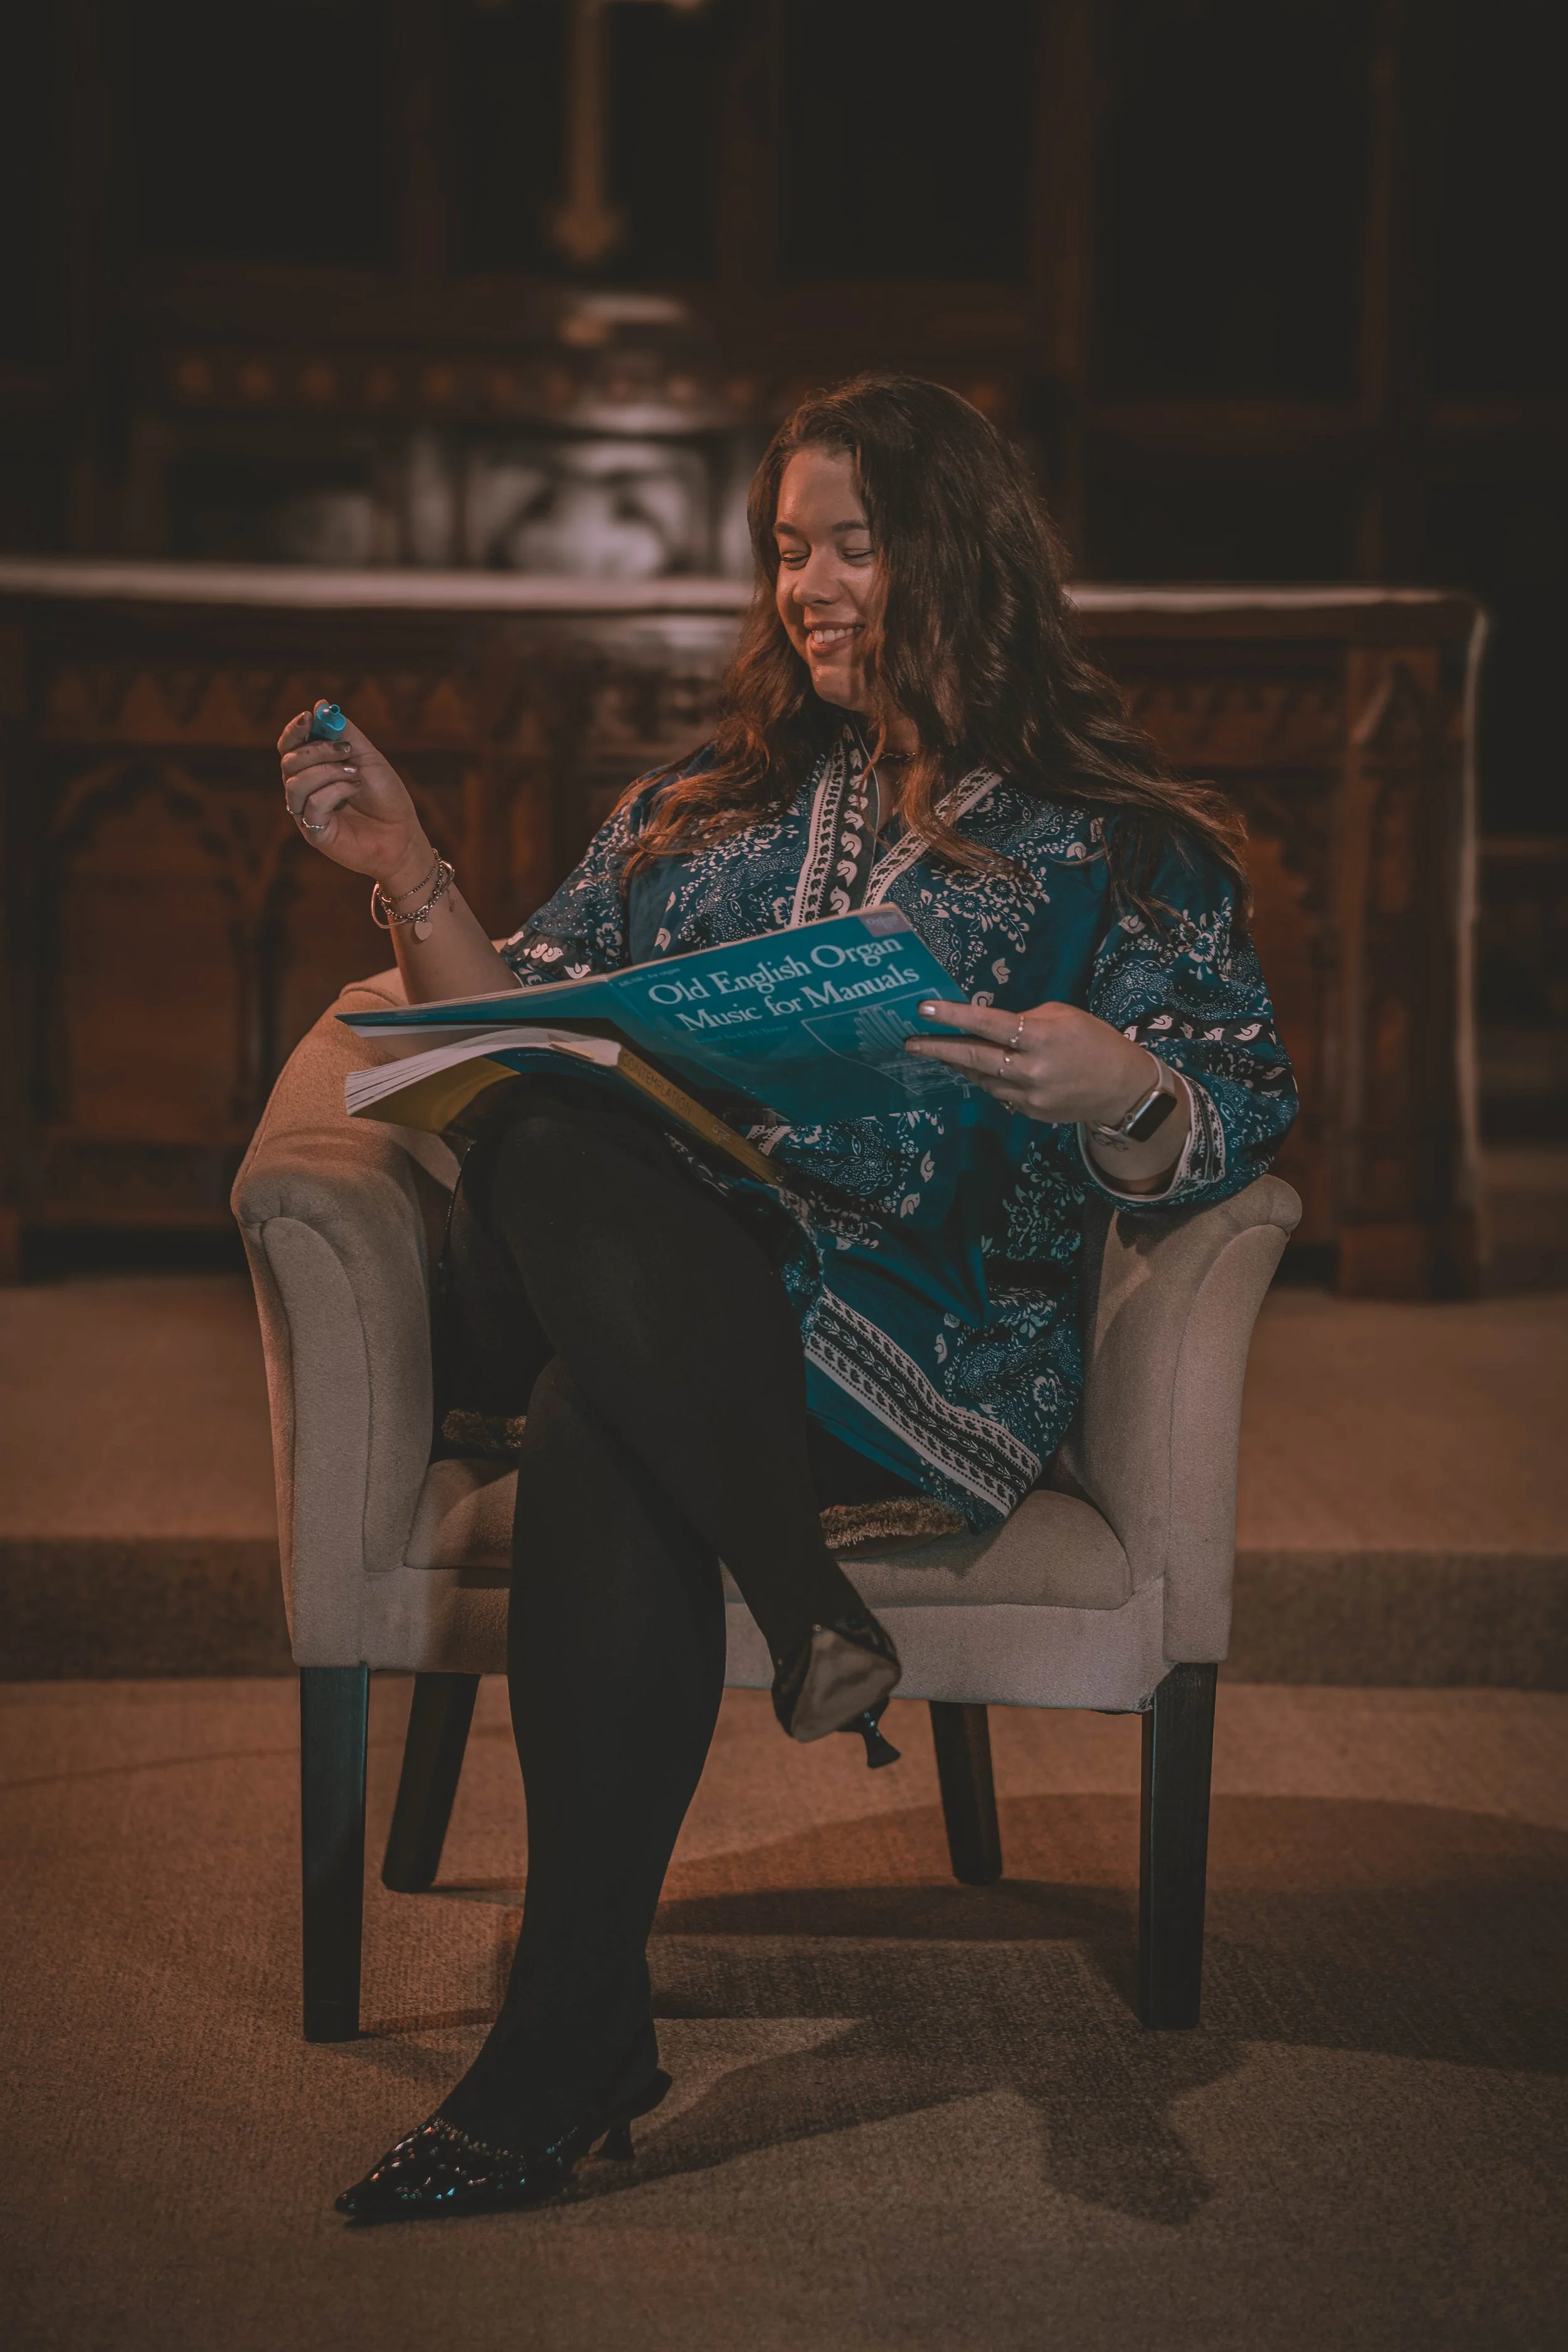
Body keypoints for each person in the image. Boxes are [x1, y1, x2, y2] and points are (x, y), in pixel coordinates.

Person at [278, 374, 1297, 2225]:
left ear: (959, 555)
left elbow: (1240, 1103)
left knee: (602, 1419)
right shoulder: (699, 807)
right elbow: (521, 1000)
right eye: (785, 550)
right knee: (534, 1107)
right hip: (655, 1259)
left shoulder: (1117, 843)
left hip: (915, 1343)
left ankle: (564, 2044)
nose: (808, 585)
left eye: (849, 543)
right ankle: (803, 1597)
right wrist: (407, 869)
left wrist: (1113, 1088)